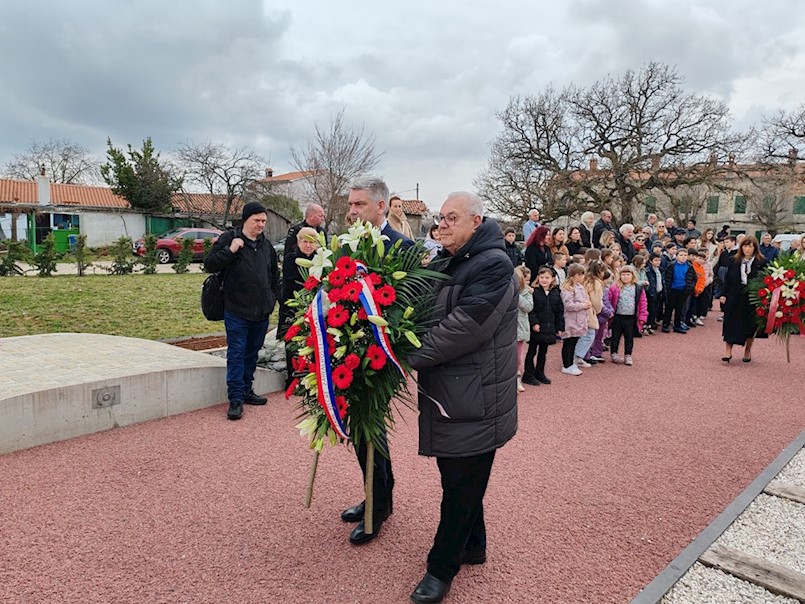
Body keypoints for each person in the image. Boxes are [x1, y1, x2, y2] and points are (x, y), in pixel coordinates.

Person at [407, 191, 518, 604]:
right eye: (441, 217)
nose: (443, 224)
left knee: (460, 486)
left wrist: (403, 354)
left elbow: (463, 328)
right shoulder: (447, 260)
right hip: (456, 392)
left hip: (477, 397)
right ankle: (475, 545)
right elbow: (422, 305)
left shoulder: (494, 265)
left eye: (452, 217)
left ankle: (441, 569)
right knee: (461, 478)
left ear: (476, 220)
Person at [342, 176, 413, 545]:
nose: (351, 211)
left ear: (380, 206)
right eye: (350, 205)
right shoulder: (345, 246)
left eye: (359, 205)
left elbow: (412, 307)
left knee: (370, 429)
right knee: (359, 430)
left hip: (381, 357)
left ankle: (379, 506)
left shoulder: (402, 247)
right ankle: (375, 496)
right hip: (347, 354)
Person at [204, 202, 281, 420]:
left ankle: (247, 390)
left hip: (261, 312)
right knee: (236, 354)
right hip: (236, 311)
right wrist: (230, 250)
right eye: (257, 220)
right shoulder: (230, 239)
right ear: (246, 219)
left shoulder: (266, 247)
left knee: (251, 354)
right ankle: (236, 399)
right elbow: (210, 264)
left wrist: (272, 298)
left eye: (264, 221)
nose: (261, 225)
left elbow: (275, 276)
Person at [278, 227, 319, 388]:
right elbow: (292, 282)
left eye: (311, 242)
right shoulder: (290, 258)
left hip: (314, 308)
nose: (308, 245)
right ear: (298, 242)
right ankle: (293, 379)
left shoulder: (320, 259)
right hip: (293, 308)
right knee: (293, 345)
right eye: (305, 241)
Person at [720, 236, 766, 363]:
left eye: (750, 246)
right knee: (730, 322)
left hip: (752, 297)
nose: (747, 249)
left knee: (750, 325)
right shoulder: (733, 260)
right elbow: (728, 278)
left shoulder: (761, 262)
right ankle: (728, 351)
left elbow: (765, 280)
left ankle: (747, 350)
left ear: (755, 248)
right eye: (745, 246)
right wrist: (723, 294)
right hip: (735, 294)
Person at [523, 266, 564, 386]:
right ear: (538, 278)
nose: (544, 280)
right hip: (537, 327)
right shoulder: (534, 291)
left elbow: (559, 311)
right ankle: (528, 374)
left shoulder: (556, 292)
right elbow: (531, 310)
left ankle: (539, 373)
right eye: (542, 277)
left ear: (552, 279)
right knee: (532, 351)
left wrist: (559, 327)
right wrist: (534, 323)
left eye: (547, 277)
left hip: (549, 326)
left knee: (543, 352)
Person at [607, 266, 648, 366]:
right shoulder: (615, 287)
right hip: (617, 316)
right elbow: (608, 299)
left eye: (628, 275)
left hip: (631, 317)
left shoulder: (638, 288)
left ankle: (628, 355)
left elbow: (643, 303)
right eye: (623, 274)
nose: (625, 277)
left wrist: (642, 317)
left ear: (632, 275)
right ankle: (614, 353)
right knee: (615, 336)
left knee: (629, 337)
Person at [560, 263, 593, 376]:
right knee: (568, 342)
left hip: (579, 319)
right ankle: (566, 365)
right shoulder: (567, 288)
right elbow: (568, 305)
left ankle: (571, 363)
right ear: (577, 275)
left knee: (574, 342)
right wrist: (583, 306)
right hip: (570, 320)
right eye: (582, 275)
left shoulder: (579, 286)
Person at [661, 247, 695, 333]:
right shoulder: (671, 265)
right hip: (672, 289)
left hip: (683, 290)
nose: (683, 257)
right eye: (681, 255)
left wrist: (689, 288)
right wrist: (667, 288)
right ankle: (665, 324)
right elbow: (667, 277)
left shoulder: (689, 266)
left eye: (685, 255)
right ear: (676, 256)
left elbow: (693, 278)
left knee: (680, 308)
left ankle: (677, 325)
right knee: (669, 308)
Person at [514, 266, 533, 393]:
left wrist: (517, 295)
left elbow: (528, 307)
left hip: (519, 328)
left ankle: (517, 378)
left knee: (518, 357)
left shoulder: (526, 292)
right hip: (506, 328)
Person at [645, 253, 664, 334]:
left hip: (659, 292)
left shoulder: (661, 270)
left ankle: (651, 324)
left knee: (655, 309)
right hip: (651, 293)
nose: (658, 262)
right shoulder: (648, 271)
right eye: (655, 260)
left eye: (659, 260)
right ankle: (647, 325)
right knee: (650, 309)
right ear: (650, 261)